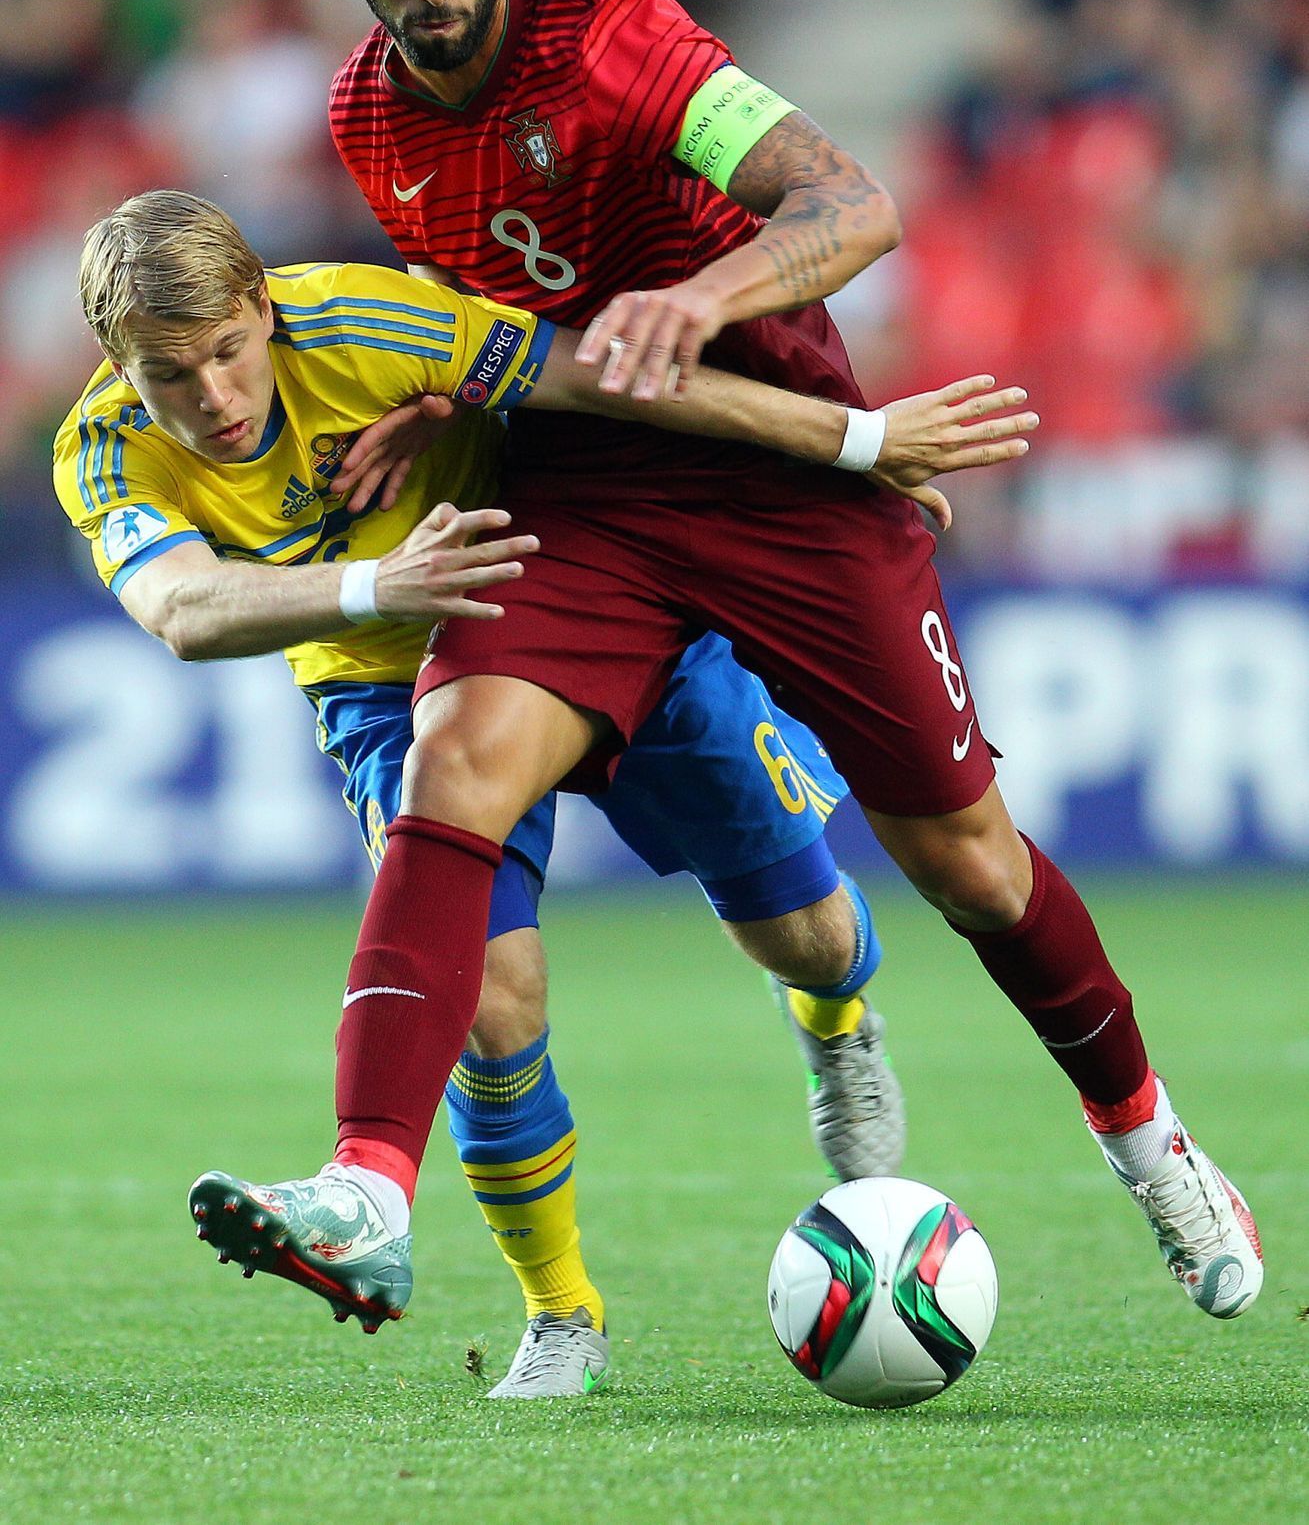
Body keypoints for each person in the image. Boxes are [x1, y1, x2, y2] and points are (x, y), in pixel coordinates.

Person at [269, 0, 1261, 1333]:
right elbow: (517, 316)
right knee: (448, 764)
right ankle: (367, 1183)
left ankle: (1152, 1140)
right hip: (586, 498)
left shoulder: (613, 30)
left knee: (966, 861)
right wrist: (442, 394)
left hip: (792, 488)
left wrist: (701, 300)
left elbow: (852, 204)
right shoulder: (364, 116)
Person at [54, 190, 1036, 1394]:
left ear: (262, 307)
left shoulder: (367, 319)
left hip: (588, 606)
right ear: (117, 363)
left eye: (225, 352)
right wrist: (384, 588)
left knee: (808, 934)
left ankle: (837, 1024)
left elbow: (611, 380)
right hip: (389, 690)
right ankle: (562, 1312)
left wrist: (852, 453)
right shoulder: (102, 447)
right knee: (493, 1006)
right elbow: (181, 608)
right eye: (168, 374)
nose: (211, 397)